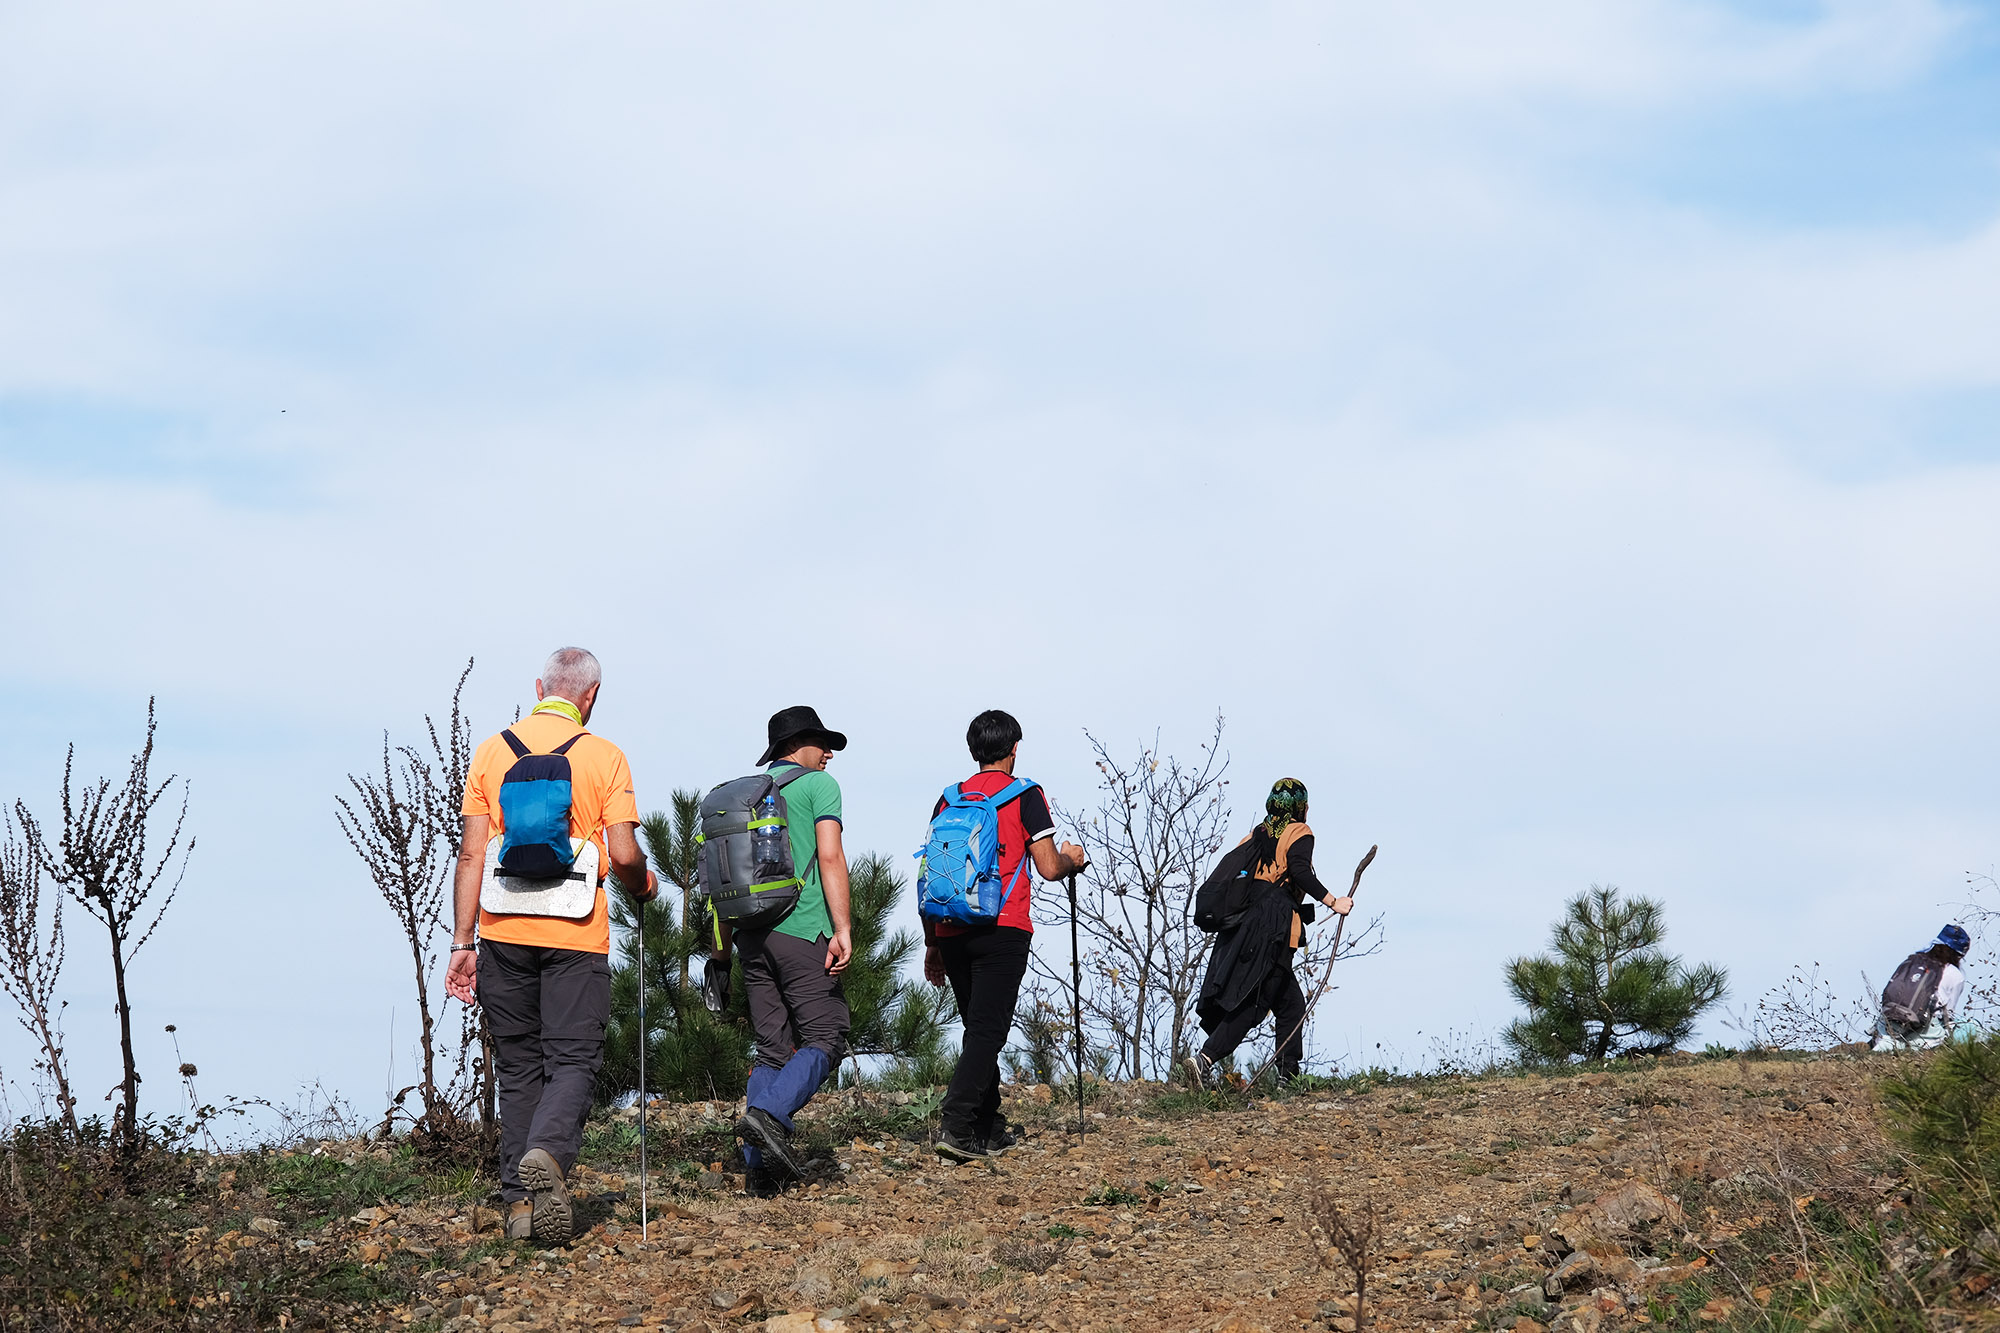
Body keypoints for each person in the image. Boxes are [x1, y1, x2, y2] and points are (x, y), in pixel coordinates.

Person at [445, 647, 655, 1245]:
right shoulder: (604, 756)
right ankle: (549, 1155)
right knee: (573, 1059)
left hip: (502, 929)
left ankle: (518, 1207)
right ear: (590, 696)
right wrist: (644, 884)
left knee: (517, 1066)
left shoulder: (492, 751)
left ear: (539, 687)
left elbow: (471, 854)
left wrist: (464, 942)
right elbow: (621, 853)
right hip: (575, 932)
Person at [923, 710, 1088, 1163]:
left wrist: (932, 943)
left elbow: (931, 873)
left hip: (951, 926)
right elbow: (1050, 867)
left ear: (974, 751)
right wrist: (1073, 858)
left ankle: (989, 1128)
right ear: (1014, 749)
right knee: (988, 1031)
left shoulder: (949, 800)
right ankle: (956, 1125)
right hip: (1003, 926)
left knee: (978, 1028)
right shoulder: (1025, 795)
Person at [718, 706, 854, 1193]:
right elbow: (831, 854)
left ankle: (759, 1170)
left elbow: (725, 883)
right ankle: (768, 1114)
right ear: (799, 745)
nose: (829, 753)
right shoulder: (819, 787)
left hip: (751, 937)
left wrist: (721, 955)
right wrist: (843, 928)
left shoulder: (743, 796)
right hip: (802, 929)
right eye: (822, 743)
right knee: (827, 1034)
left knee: (773, 1050)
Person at [1186, 778, 1351, 1087]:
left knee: (1290, 1004)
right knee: (1254, 1003)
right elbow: (1299, 870)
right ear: (1300, 807)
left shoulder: (1256, 835)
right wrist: (1333, 902)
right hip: (1271, 927)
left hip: (1244, 925)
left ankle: (1288, 1078)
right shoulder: (1299, 832)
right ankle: (1205, 1059)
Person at [1869, 924, 1971, 1052]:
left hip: (1888, 1026)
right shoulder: (1955, 974)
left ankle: (1882, 1044)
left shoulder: (1911, 962)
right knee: (1970, 1028)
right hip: (1925, 1034)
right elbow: (1948, 1015)